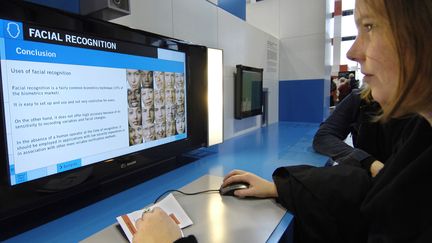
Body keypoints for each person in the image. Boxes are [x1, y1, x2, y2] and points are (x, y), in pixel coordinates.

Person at [133, 0, 432, 242]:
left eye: (370, 26)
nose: (353, 52)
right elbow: (369, 189)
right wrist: (282, 188)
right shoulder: (422, 133)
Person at [313, 87, 408, 177]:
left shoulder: (418, 111)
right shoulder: (360, 98)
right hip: (368, 177)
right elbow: (323, 136)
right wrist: (368, 162)